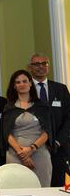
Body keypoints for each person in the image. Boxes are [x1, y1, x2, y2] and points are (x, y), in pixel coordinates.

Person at [2, 70, 52, 187]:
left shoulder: (42, 106)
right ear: (14, 86)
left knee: (42, 190)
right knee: (16, 191)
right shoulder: (9, 107)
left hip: (39, 154)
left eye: (25, 81)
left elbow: (47, 132)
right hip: (15, 155)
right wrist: (21, 154)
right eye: (18, 82)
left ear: (30, 83)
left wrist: (32, 148)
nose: (22, 84)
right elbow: (7, 133)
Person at [27, 53, 70, 187]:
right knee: (34, 186)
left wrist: (57, 141)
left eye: (44, 63)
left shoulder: (60, 89)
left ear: (48, 66)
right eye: (36, 64)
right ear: (30, 67)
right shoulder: (24, 88)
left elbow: (68, 117)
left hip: (58, 148)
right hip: (32, 149)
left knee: (57, 187)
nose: (41, 67)